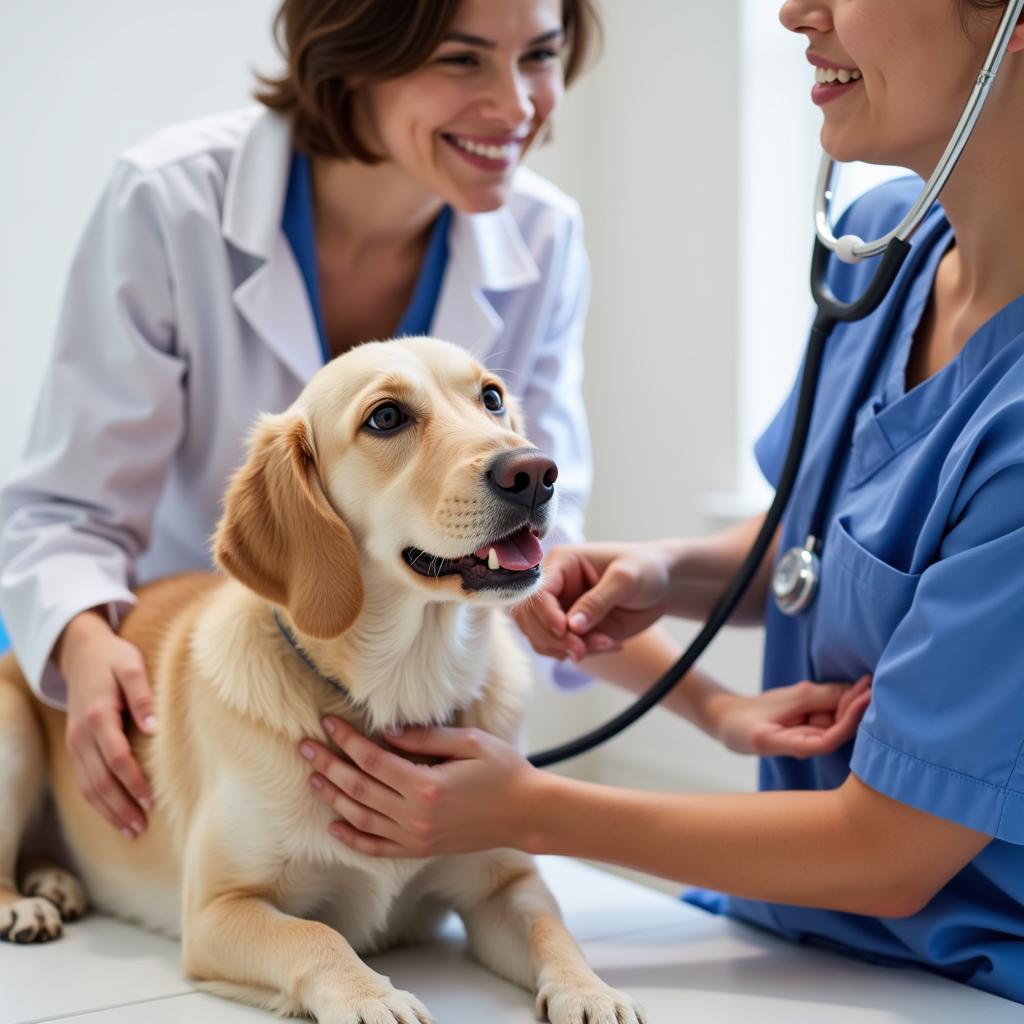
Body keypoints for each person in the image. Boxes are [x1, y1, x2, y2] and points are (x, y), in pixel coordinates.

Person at [293, 0, 1024, 1004]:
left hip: (961, 972)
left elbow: (890, 852)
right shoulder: (882, 253)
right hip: (789, 931)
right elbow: (834, 540)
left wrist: (526, 809)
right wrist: (671, 571)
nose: (793, 11)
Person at [0, 0, 604, 841]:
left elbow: (538, 534)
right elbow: (67, 515)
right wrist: (78, 646)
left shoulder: (546, 232)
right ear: (353, 53)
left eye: (539, 55)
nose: (516, 104)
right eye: (462, 60)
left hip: (405, 668)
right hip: (198, 664)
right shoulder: (169, 200)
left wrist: (719, 710)